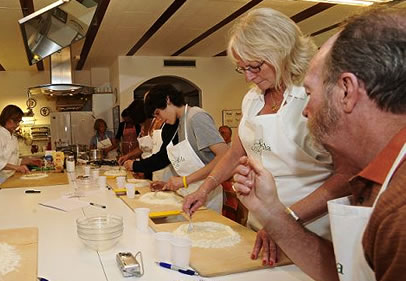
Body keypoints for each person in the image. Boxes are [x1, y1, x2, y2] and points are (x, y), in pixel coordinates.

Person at [232, 7, 406, 281]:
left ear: (347, 91)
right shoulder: (378, 180)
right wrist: (271, 213)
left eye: (311, 92)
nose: (304, 109)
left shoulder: (398, 211)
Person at [182, 7, 352, 266]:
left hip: (313, 230)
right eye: (242, 69)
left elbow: (347, 177)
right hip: (261, 227)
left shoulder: (314, 96)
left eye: (255, 66)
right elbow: (235, 153)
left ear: (282, 53)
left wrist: (285, 221)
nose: (249, 77)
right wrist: (206, 188)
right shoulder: (252, 99)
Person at [146, 84, 229, 212]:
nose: (160, 119)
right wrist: (170, 184)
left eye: (158, 113)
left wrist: (185, 180)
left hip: (207, 195)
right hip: (189, 193)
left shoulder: (196, 117)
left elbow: (224, 156)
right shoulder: (181, 122)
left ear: (167, 100)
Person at [0, 105, 42, 201]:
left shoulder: (13, 137)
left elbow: (13, 159)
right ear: (7, 119)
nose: (17, 124)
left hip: (7, 178)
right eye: (16, 121)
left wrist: (29, 161)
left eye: (19, 121)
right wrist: (17, 168)